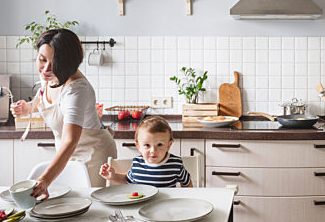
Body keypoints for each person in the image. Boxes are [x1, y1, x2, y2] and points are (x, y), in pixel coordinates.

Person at [11, 29, 117, 196]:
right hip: (65, 153)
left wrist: (44, 180)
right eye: (42, 59)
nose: (46, 68)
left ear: (69, 63)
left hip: (92, 154)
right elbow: (44, 96)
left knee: (91, 206)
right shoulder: (49, 76)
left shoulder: (76, 90)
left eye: (54, 63)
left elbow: (70, 141)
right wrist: (28, 107)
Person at [100, 116, 193, 187]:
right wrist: (113, 176)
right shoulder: (136, 163)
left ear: (168, 146)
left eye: (159, 145)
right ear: (139, 147)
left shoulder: (176, 164)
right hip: (141, 207)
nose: (153, 151)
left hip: (166, 208)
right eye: (147, 145)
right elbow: (127, 179)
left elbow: (187, 183)